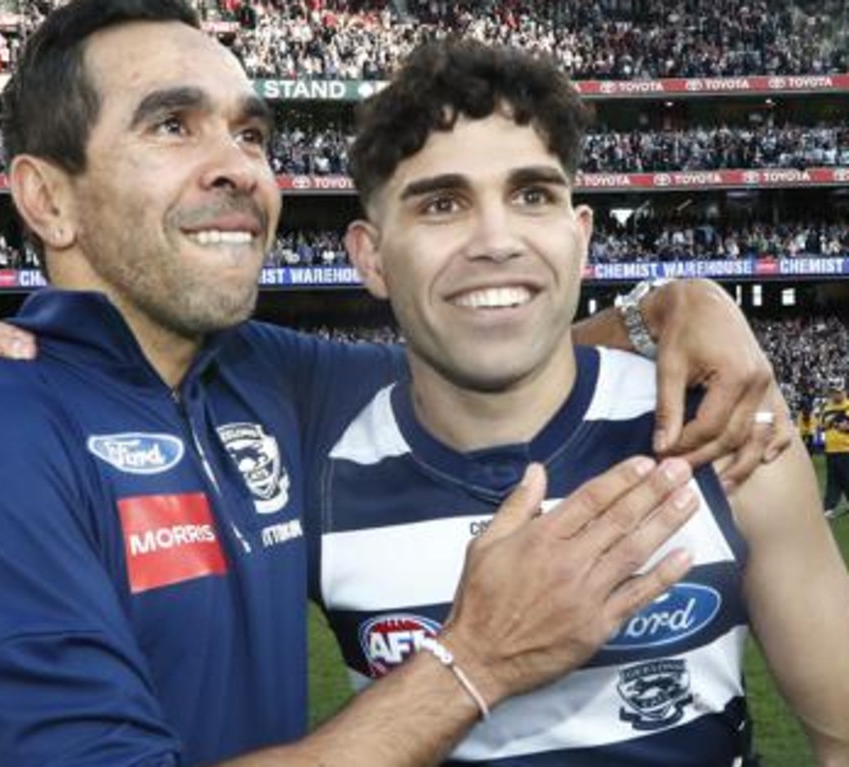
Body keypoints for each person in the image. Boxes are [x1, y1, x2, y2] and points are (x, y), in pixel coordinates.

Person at [0, 2, 785, 765]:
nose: (239, 168)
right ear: (48, 198)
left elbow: (497, 347)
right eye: (173, 125)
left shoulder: (268, 381)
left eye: (250, 133)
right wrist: (477, 660)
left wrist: (676, 303)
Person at [305, 39, 849, 765]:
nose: (496, 241)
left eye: (532, 195)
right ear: (370, 256)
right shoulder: (316, 475)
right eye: (441, 203)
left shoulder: (717, 432)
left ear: (580, 234)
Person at [821, 378, 849, 519]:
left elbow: (846, 427)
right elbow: (822, 426)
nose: (835, 395)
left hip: (846, 450)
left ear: (843, 391)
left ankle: (830, 507)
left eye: (837, 392)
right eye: (832, 392)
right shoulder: (827, 408)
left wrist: (838, 426)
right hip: (831, 451)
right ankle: (829, 507)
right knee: (833, 480)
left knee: (846, 478)